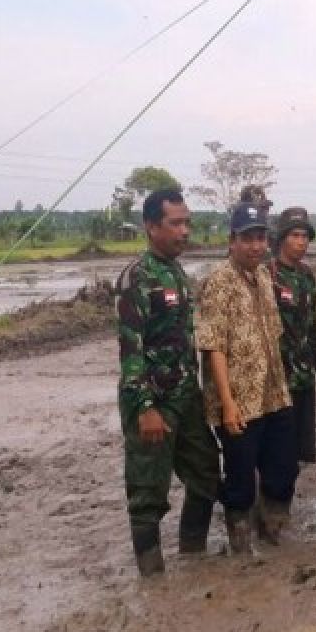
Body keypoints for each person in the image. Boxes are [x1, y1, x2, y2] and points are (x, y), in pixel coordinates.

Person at [116, 188, 220, 576]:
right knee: (147, 493)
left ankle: (193, 555)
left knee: (207, 471)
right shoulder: (136, 278)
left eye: (187, 222)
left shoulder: (177, 272)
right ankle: (153, 577)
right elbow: (130, 351)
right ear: (151, 227)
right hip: (153, 403)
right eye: (176, 223)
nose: (185, 231)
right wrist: (144, 408)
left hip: (185, 398)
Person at [197, 203, 294, 553]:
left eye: (260, 237)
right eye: (248, 238)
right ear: (232, 240)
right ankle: (240, 545)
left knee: (282, 466)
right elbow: (213, 347)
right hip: (239, 401)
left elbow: (275, 335)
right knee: (240, 478)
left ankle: (272, 530)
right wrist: (227, 404)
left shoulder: (265, 277)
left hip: (273, 394)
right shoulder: (218, 282)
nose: (256, 245)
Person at [269, 207, 316, 465]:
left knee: (301, 450)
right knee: (277, 450)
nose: (301, 241)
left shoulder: (307, 276)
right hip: (277, 381)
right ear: (282, 238)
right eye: (295, 235)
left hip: (304, 378)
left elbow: (313, 327)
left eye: (305, 236)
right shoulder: (267, 275)